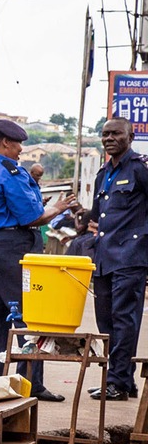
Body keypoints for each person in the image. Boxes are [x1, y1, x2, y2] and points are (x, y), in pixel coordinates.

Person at [0, 119, 76, 402]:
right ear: (5, 143)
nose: (21, 151)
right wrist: (58, 208)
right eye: (18, 145)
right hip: (11, 248)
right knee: (30, 316)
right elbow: (31, 217)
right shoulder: (8, 171)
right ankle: (30, 384)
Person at [88, 116, 148, 401]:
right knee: (106, 322)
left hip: (130, 257)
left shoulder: (140, 168)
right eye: (104, 134)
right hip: (104, 257)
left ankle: (117, 382)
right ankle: (123, 380)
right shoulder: (104, 174)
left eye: (115, 134)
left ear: (130, 136)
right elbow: (97, 214)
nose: (109, 138)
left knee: (124, 319)